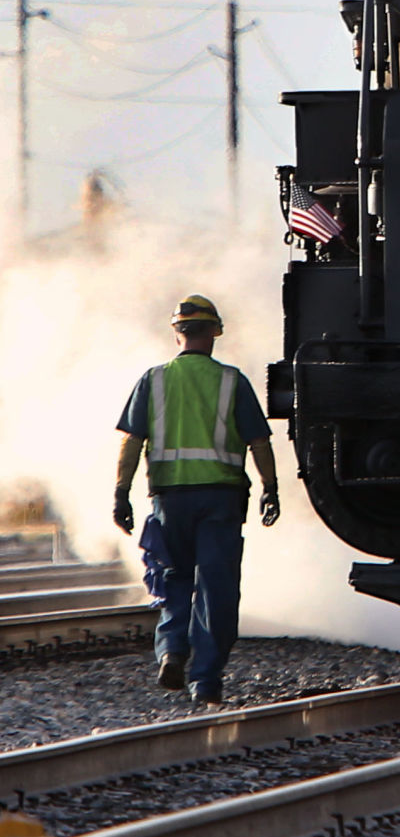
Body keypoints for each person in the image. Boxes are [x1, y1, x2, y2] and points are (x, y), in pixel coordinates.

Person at [113, 295, 280, 708]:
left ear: (177, 334)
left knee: (173, 578)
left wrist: (121, 492)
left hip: (170, 498)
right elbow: (259, 441)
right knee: (216, 588)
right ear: (215, 333)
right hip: (221, 497)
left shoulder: (153, 380)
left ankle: (171, 650)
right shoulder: (231, 381)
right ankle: (205, 681)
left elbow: (131, 442)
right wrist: (270, 487)